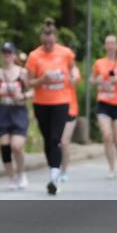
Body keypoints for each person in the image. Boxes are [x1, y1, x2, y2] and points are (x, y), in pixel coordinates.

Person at [25, 18, 80, 195]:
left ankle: (54, 177)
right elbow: (28, 82)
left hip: (61, 102)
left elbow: (73, 69)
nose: (48, 45)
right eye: (45, 42)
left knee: (56, 138)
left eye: (51, 42)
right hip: (41, 103)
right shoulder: (34, 56)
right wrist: (43, 79)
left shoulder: (65, 53)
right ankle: (53, 169)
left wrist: (74, 76)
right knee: (48, 139)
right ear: (41, 39)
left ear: (55, 38)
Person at [90, 34, 117, 179]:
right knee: (107, 135)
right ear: (105, 46)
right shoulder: (99, 63)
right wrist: (97, 80)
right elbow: (91, 80)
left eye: (112, 43)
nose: (110, 46)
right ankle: (111, 169)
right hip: (103, 103)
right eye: (107, 43)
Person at [0, 41, 31, 190]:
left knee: (17, 146)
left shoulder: (23, 73)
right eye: (4, 53)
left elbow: (32, 91)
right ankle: (11, 177)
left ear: (14, 55)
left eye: (9, 53)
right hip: (3, 110)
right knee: (5, 146)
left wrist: (22, 96)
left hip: (18, 111)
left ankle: (21, 173)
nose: (6, 55)